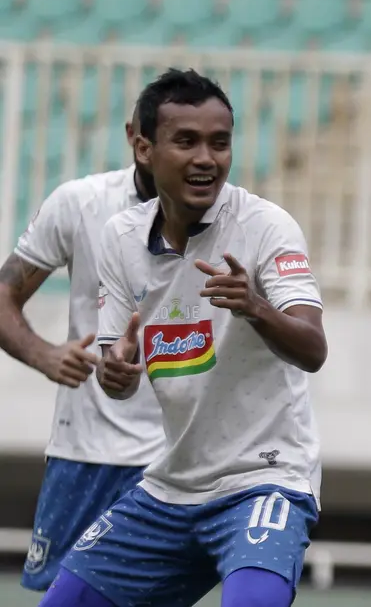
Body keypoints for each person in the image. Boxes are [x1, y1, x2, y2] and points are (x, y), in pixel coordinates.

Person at [39, 68, 329, 607]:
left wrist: (255, 307)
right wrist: (114, 373)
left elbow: (314, 350)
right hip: (171, 485)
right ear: (144, 148)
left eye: (220, 143)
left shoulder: (267, 227)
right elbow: (118, 372)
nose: (207, 158)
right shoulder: (121, 238)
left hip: (265, 479)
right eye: (187, 141)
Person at [0, 108, 166, 592]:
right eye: (180, 139)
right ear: (137, 140)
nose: (197, 157)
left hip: (173, 456)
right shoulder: (82, 203)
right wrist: (44, 354)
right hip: (85, 452)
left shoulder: (233, 220)